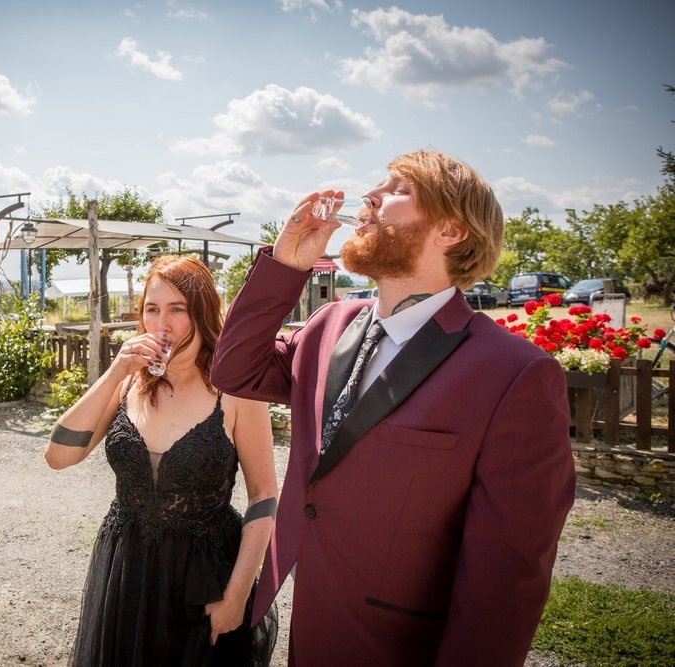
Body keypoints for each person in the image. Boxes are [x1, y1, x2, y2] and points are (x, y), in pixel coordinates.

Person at [211, 149, 576, 665]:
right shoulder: (329, 323)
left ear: (451, 230)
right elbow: (234, 370)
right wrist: (286, 266)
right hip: (312, 632)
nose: (370, 195)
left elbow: (504, 583)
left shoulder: (516, 375)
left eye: (399, 189)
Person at [45, 255, 278, 666]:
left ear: (203, 314)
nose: (161, 324)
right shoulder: (128, 385)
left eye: (177, 310)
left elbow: (263, 496)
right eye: (152, 309)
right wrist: (115, 372)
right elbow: (59, 455)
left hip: (204, 579)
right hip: (126, 569)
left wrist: (237, 595)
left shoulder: (236, 390)